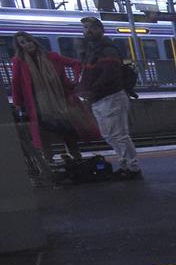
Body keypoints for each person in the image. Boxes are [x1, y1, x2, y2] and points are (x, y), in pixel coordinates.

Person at [8, 31, 96, 184]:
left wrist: (74, 82)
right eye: (22, 42)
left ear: (33, 41)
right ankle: (48, 164)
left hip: (60, 102)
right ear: (19, 46)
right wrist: (17, 104)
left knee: (67, 130)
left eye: (28, 40)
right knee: (43, 135)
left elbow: (76, 64)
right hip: (36, 106)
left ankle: (76, 159)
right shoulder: (18, 62)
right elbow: (16, 84)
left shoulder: (52, 56)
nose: (27, 44)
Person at [77, 16, 142, 180]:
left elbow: (109, 75)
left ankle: (132, 168)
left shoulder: (107, 50)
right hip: (99, 98)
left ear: (101, 29)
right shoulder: (92, 50)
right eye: (85, 28)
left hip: (111, 97)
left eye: (92, 27)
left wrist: (91, 91)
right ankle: (125, 165)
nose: (88, 31)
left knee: (119, 135)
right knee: (110, 135)